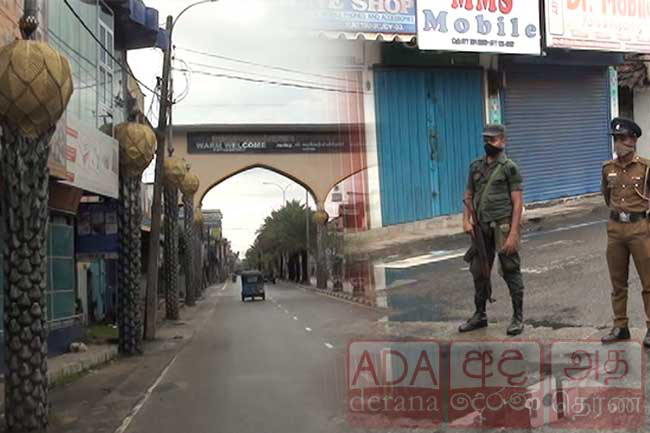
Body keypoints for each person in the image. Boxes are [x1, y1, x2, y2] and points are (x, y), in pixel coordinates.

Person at [460, 124, 525, 336]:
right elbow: (468, 194)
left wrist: (514, 233)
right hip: (480, 227)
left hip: (503, 226)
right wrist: (466, 220)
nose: (489, 143)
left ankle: (517, 318)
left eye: (493, 140)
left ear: (503, 141)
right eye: (486, 139)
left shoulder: (509, 167)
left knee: (510, 269)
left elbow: (517, 203)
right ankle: (480, 315)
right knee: (479, 270)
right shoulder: (475, 166)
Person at [601, 117, 650, 347]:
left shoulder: (646, 167)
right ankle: (620, 326)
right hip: (615, 230)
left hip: (639, 229)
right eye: (615, 139)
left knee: (648, 282)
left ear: (633, 140)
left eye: (622, 139)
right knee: (617, 282)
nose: (617, 143)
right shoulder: (607, 168)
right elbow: (606, 197)